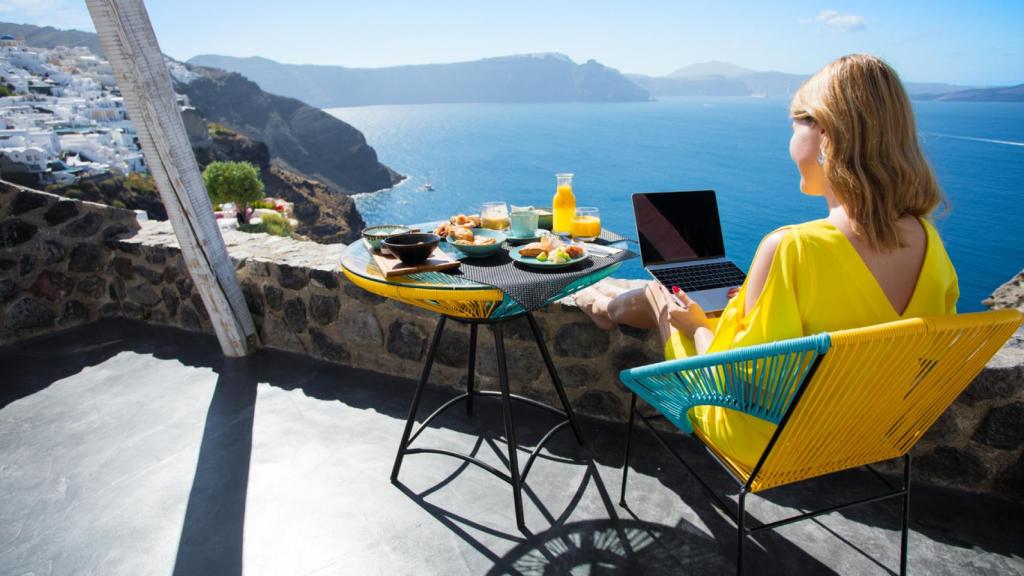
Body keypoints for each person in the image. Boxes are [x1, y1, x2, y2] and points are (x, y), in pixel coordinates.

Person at [574, 54, 959, 472]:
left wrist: (699, 327)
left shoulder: (793, 247)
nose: (791, 143)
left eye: (795, 126)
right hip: (863, 432)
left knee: (661, 292)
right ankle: (603, 296)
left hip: (765, 434)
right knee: (682, 297)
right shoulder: (929, 241)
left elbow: (738, 383)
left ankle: (596, 302)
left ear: (825, 136)